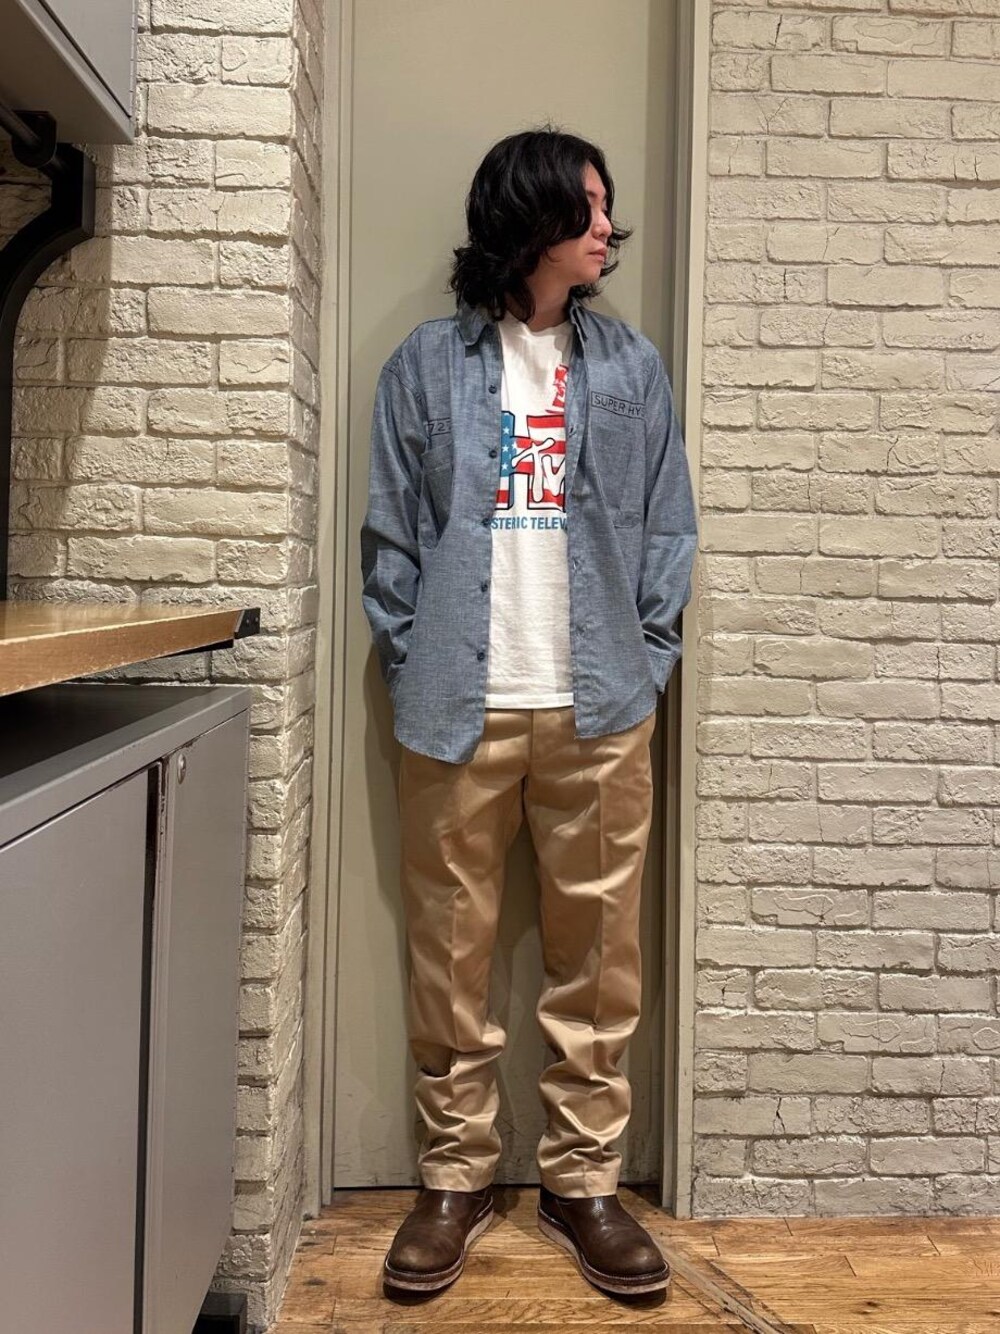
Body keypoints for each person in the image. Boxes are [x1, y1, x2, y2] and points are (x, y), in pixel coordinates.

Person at [360, 126, 698, 1298]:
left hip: (598, 706)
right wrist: (412, 660)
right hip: (458, 704)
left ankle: (582, 1181)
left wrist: (649, 660)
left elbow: (667, 525)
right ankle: (453, 1176)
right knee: (449, 956)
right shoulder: (423, 364)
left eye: (607, 207)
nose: (607, 227)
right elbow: (390, 537)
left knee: (598, 962)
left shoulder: (630, 366)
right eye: (587, 206)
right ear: (530, 215)